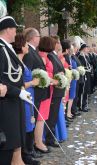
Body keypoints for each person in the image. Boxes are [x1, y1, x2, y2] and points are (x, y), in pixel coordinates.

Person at [0, 16, 32, 165]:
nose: (15, 33)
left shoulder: (7, 47)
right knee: (6, 148)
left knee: (13, 143)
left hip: (12, 103)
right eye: (14, 29)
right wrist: (18, 92)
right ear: (7, 29)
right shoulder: (1, 49)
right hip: (5, 105)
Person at [12, 33, 41, 165]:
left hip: (30, 97)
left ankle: (27, 153)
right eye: (25, 45)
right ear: (21, 46)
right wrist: (33, 83)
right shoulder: (17, 64)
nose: (27, 47)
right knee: (26, 125)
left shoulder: (22, 62)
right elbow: (18, 84)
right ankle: (25, 155)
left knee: (30, 124)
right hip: (24, 97)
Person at [23, 27, 48, 159]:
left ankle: (31, 147)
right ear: (33, 38)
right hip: (32, 92)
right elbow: (27, 72)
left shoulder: (34, 51)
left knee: (32, 122)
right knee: (31, 122)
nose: (40, 39)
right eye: (38, 37)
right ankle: (29, 150)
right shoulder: (29, 52)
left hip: (37, 92)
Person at [34, 36, 56, 154]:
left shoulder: (45, 56)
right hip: (44, 89)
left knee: (43, 117)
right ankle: (38, 142)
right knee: (40, 117)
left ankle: (39, 140)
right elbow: (44, 75)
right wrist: (54, 80)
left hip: (49, 88)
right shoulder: (42, 56)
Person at [45, 36, 66, 148]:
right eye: (58, 42)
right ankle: (49, 138)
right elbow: (53, 71)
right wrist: (60, 75)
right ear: (55, 44)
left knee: (54, 115)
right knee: (52, 116)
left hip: (58, 90)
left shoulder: (54, 55)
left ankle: (52, 136)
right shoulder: (51, 56)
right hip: (55, 90)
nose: (60, 45)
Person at [77, 44, 92, 112]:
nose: (87, 49)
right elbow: (81, 66)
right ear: (83, 49)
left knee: (86, 90)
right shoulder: (80, 56)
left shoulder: (86, 56)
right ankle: (81, 105)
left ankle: (85, 104)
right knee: (82, 91)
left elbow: (89, 64)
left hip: (87, 75)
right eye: (86, 48)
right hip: (84, 75)